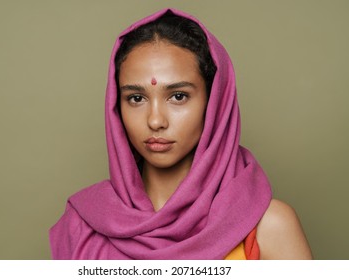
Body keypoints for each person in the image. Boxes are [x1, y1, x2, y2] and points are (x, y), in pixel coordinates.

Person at [49, 8, 312, 260]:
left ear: (215, 103)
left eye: (178, 96)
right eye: (136, 98)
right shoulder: (83, 225)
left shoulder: (269, 228)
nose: (155, 120)